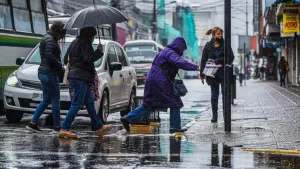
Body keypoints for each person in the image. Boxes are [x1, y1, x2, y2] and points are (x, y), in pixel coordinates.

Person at [120, 37, 200, 133]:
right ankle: (175, 127)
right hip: (160, 82)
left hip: (152, 80)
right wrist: (195, 67)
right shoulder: (170, 53)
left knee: (149, 104)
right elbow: (179, 62)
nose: (182, 52)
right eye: (182, 49)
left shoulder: (164, 51)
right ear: (179, 46)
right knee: (175, 103)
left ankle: (128, 118)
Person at [59, 27, 112, 139]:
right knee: (77, 103)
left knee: (89, 102)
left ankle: (99, 127)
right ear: (89, 36)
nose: (93, 39)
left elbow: (65, 59)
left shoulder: (74, 42)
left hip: (75, 76)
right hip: (80, 77)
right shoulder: (85, 43)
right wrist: (98, 52)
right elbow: (88, 59)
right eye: (93, 36)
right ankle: (64, 128)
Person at [26, 21, 66, 132]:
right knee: (55, 100)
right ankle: (57, 126)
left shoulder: (47, 38)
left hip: (43, 73)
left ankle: (33, 123)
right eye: (62, 34)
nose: (62, 37)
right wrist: (59, 66)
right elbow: (49, 55)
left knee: (46, 99)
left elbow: (48, 55)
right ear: (57, 31)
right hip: (50, 74)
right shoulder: (50, 39)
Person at [200, 27, 234, 123]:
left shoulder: (226, 45)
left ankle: (225, 115)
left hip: (224, 73)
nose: (220, 35)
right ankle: (214, 116)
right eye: (218, 34)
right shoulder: (208, 46)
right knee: (214, 95)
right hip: (212, 74)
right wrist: (202, 75)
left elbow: (231, 57)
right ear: (213, 35)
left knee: (225, 94)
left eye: (221, 34)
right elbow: (203, 60)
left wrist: (220, 60)